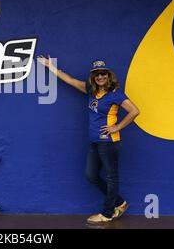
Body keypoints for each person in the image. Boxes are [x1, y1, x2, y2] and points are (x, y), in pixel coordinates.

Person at [37, 56, 140, 224]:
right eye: (96, 74)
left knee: (111, 177)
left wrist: (117, 127)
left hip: (109, 143)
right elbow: (69, 80)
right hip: (94, 142)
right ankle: (120, 202)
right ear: (93, 77)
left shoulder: (115, 94)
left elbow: (135, 111)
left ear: (108, 75)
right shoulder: (91, 91)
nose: (100, 77)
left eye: (103, 74)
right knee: (91, 175)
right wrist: (50, 66)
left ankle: (107, 213)